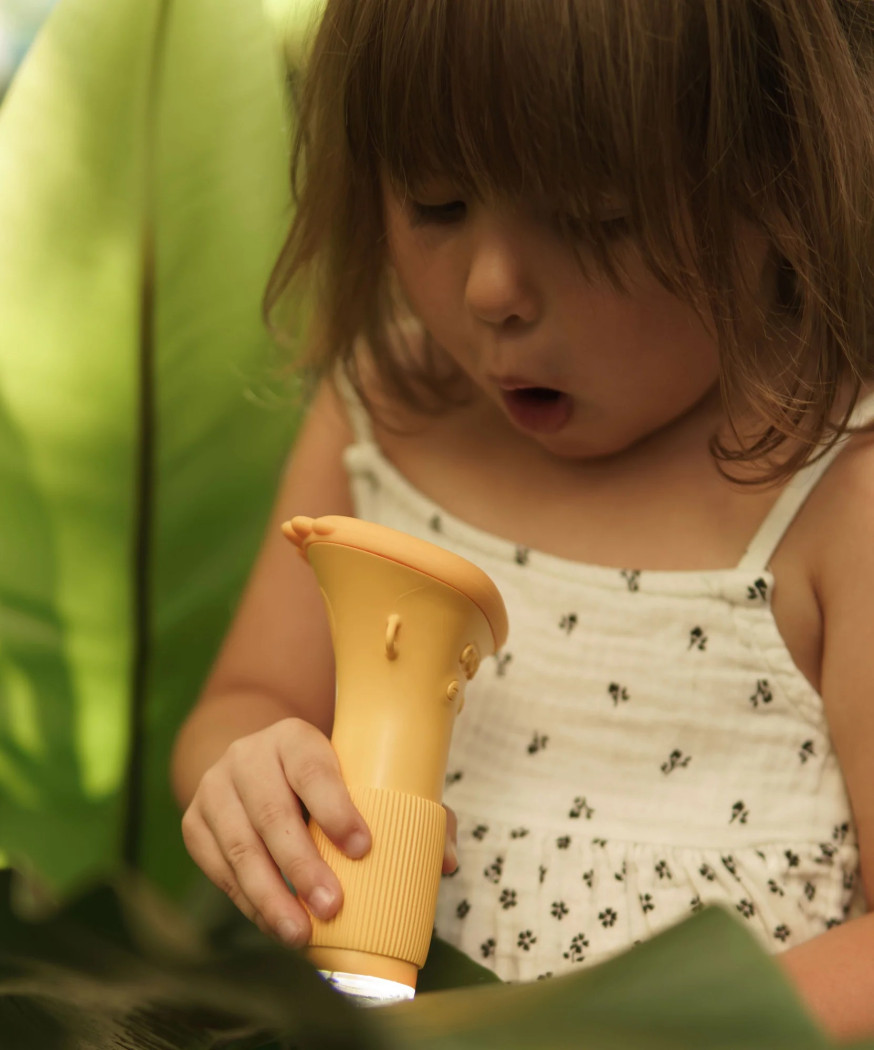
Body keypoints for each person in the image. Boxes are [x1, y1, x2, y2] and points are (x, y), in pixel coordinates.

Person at [171, 0, 874, 1038]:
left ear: (782, 183)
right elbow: (246, 698)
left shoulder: (840, 486)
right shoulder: (386, 411)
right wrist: (250, 773)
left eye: (594, 217)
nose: (493, 288)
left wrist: (552, 1033)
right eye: (437, 203)